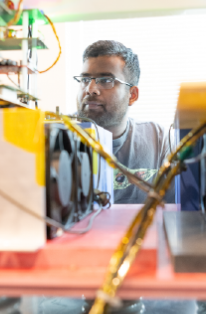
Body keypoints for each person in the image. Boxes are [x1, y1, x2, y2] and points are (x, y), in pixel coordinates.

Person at [75, 40, 174, 204]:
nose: (90, 89)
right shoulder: (56, 135)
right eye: (85, 79)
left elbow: (174, 212)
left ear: (132, 95)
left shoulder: (159, 140)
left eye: (106, 80)